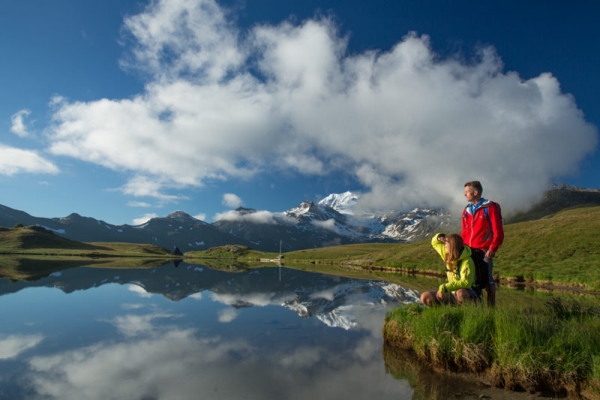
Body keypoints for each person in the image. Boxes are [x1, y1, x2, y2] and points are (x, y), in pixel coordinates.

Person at [461, 180, 504, 306]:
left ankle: (491, 308)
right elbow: (464, 232)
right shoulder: (466, 211)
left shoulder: (489, 207)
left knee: (488, 280)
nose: (465, 195)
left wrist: (493, 248)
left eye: (467, 192)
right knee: (473, 279)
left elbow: (498, 231)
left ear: (476, 192)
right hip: (469, 251)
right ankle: (477, 307)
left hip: (484, 250)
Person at [420, 233, 477, 306]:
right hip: (451, 293)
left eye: (446, 242)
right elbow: (434, 243)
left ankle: (467, 312)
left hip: (468, 292)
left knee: (461, 293)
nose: (444, 245)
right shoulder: (447, 254)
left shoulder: (467, 261)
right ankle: (446, 312)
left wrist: (445, 287)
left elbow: (466, 283)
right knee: (425, 297)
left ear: (452, 245)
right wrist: (439, 237)